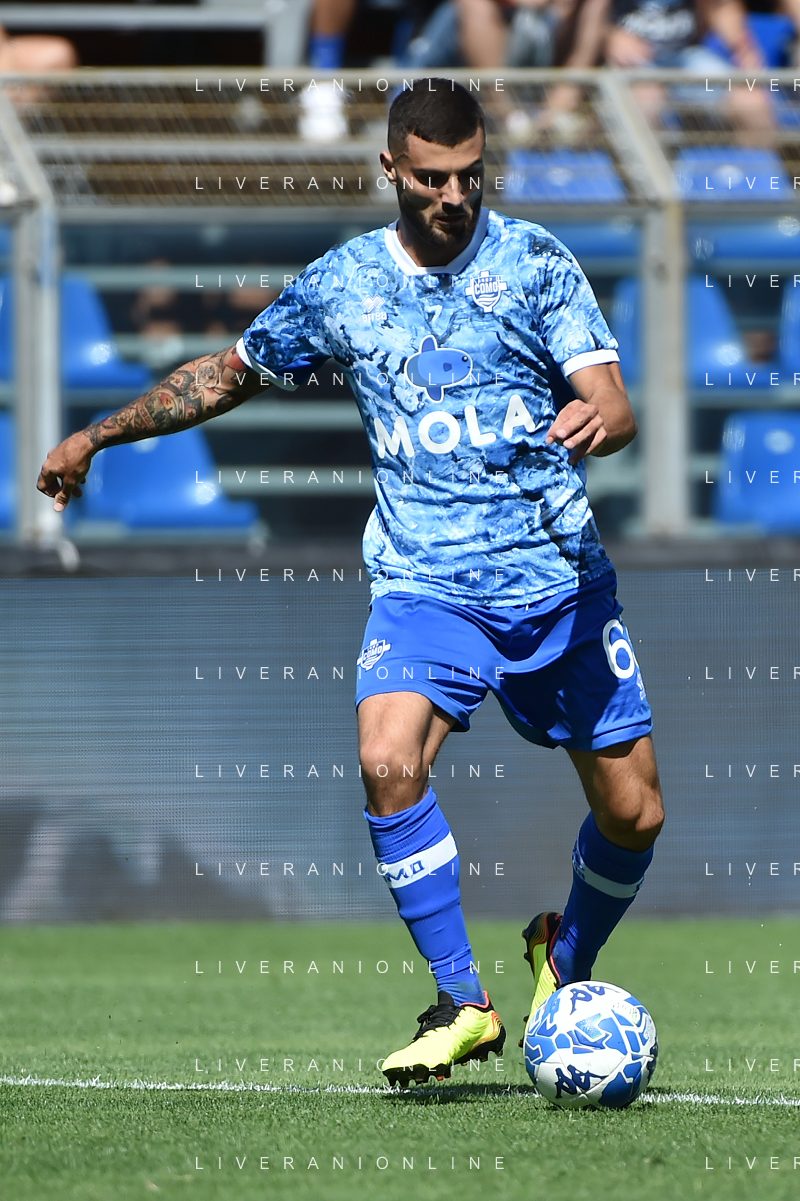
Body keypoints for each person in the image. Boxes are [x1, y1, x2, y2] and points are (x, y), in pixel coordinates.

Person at [37, 80, 664, 1088]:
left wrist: (602, 421)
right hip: (425, 584)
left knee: (634, 814)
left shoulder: (537, 263)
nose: (453, 196)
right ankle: (463, 1002)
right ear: (390, 169)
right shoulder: (346, 284)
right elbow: (228, 372)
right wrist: (97, 435)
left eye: (470, 177)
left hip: (556, 579)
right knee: (385, 759)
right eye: (432, 178)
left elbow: (614, 402)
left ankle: (566, 955)